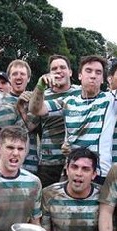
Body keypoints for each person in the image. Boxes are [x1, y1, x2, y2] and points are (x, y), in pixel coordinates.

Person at [28, 19, 117, 182]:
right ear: (79, 75)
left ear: (103, 79)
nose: (93, 75)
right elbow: (36, 109)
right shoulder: (68, 101)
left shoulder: (111, 99)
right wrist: (40, 86)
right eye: (88, 71)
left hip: (99, 176)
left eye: (98, 72)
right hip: (70, 174)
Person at [37, 55, 81, 187]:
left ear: (70, 72)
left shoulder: (81, 92)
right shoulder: (42, 94)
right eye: (54, 68)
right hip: (48, 162)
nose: (58, 71)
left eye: (62, 67)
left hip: (76, 160)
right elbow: (31, 124)